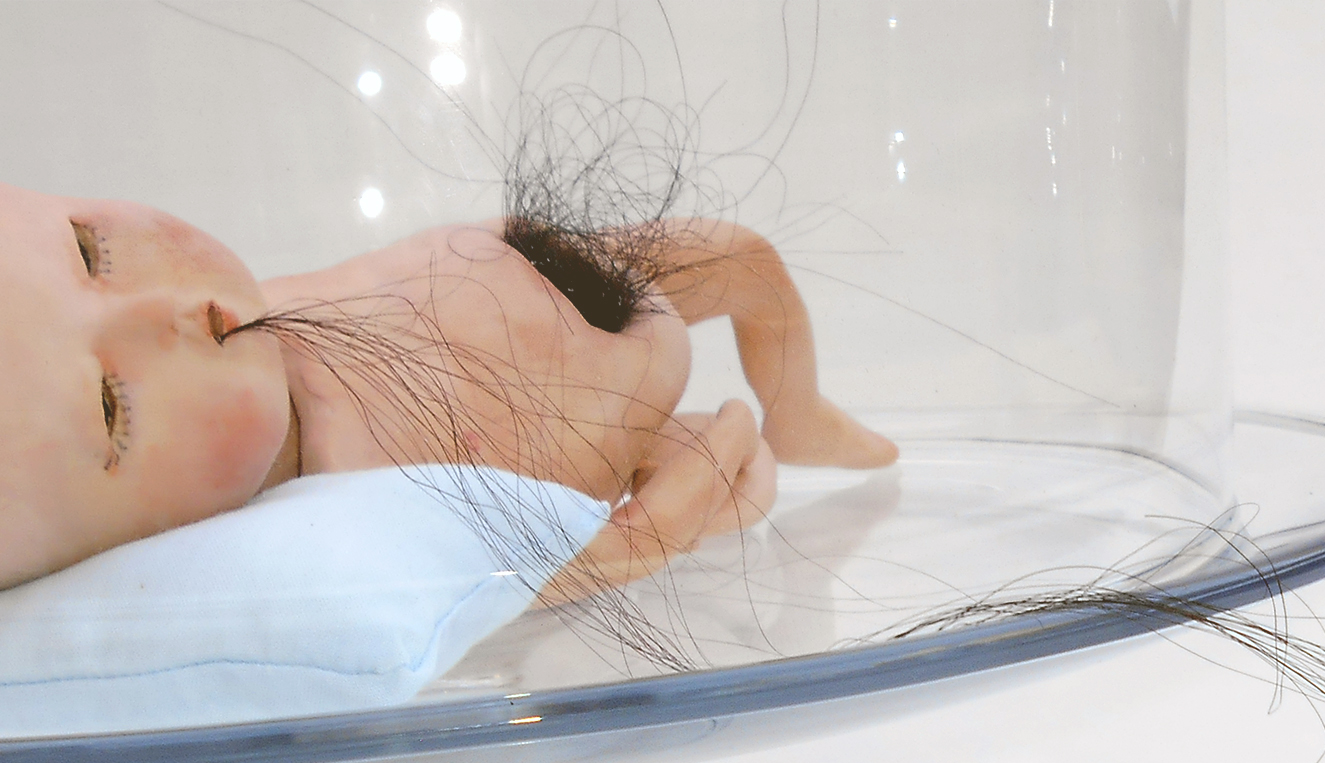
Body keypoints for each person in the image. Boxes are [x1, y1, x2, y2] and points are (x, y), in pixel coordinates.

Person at [0, 181, 897, 597]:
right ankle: (754, 443)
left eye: (90, 248)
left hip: (571, 274)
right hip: (605, 411)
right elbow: (543, 573)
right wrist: (666, 509)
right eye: (113, 404)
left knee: (744, 260)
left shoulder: (254, 314)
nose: (177, 311)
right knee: (729, 470)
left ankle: (802, 412)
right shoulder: (341, 516)